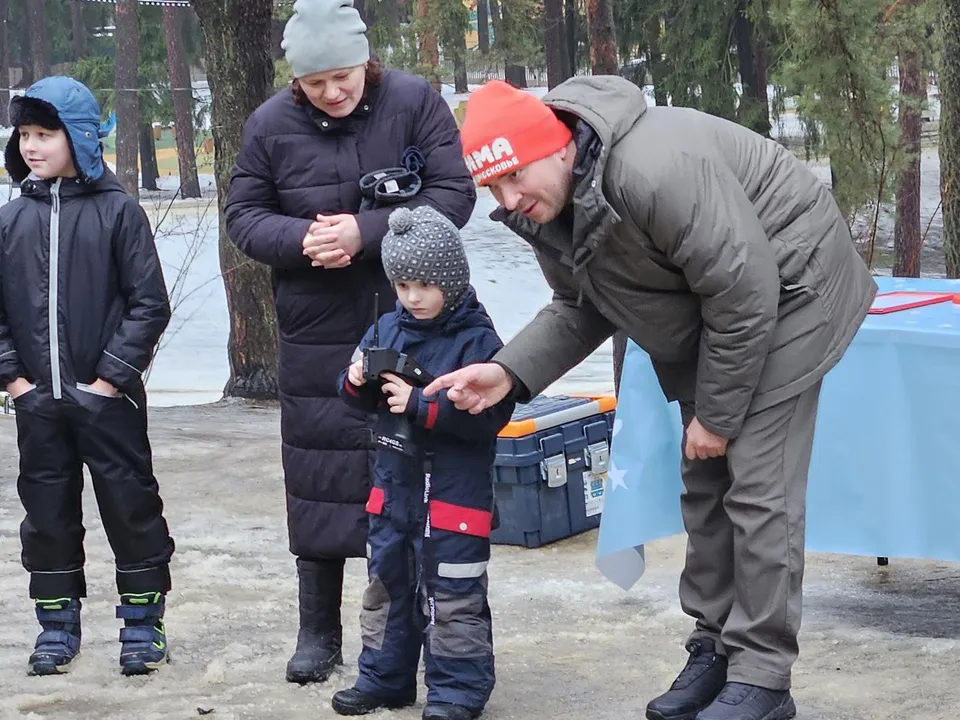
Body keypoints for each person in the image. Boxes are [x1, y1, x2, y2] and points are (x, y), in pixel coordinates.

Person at [423, 77, 878, 720]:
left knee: (756, 485)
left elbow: (745, 295)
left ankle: (762, 677)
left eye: (515, 176)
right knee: (703, 479)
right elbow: (581, 304)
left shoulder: (653, 169)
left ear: (557, 148)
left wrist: (716, 417)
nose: (510, 199)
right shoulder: (548, 204)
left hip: (793, 288)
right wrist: (507, 373)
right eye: (493, 188)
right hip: (714, 308)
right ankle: (716, 647)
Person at [224, 0, 477, 685]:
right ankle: (317, 630)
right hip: (316, 322)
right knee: (319, 471)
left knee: (409, 471)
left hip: (414, 313)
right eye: (315, 83)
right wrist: (303, 241)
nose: (333, 93)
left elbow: (455, 195)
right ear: (295, 82)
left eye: (343, 77)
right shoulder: (269, 125)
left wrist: (367, 234)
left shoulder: (415, 102)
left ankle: (410, 627)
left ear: (366, 61)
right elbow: (243, 216)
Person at [0, 76, 175, 677]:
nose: (31, 145)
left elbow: (149, 303)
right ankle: (56, 625)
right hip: (38, 404)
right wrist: (15, 382)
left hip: (107, 401)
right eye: (23, 133)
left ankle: (142, 624)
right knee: (46, 512)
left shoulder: (118, 211)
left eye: (44, 134)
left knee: (131, 506)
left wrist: (109, 380)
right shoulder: (11, 220)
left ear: (78, 136)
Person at [330, 206, 515, 720]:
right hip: (394, 489)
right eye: (404, 284)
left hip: (456, 496)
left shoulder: (477, 339)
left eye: (426, 285)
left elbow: (491, 414)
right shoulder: (387, 327)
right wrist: (358, 379)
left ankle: (457, 690)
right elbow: (350, 397)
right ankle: (384, 678)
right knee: (386, 584)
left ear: (452, 281)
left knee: (453, 593)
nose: (413, 296)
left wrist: (421, 405)